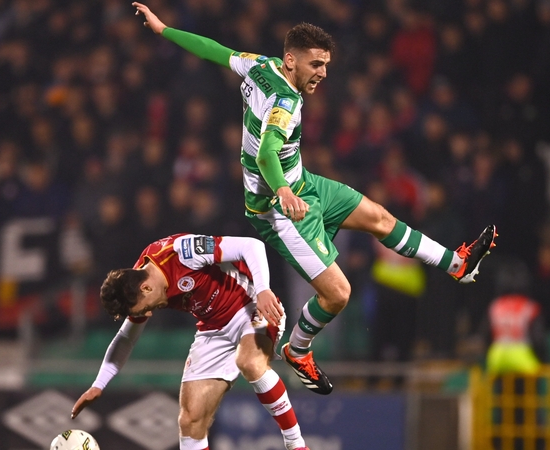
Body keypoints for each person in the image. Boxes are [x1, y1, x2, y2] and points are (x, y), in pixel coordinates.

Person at [132, 2, 497, 395]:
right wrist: (283, 190)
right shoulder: (285, 103)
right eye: (316, 64)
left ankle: (457, 264)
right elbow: (266, 153)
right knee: (338, 294)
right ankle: (298, 349)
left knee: (379, 218)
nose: (323, 73)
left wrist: (164, 30)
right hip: (278, 208)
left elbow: (214, 50)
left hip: (303, 184)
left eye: (325, 64)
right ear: (291, 60)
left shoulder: (261, 65)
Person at [70, 233, 311, 450]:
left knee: (250, 362)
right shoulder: (134, 287)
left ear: (145, 288)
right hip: (212, 328)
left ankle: (296, 444)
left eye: (144, 308)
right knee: (190, 418)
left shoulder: (183, 251)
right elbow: (125, 338)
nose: (148, 314)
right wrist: (99, 384)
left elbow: (251, 246)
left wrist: (263, 290)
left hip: (250, 307)